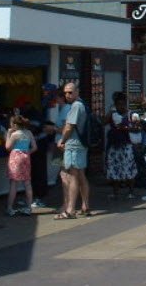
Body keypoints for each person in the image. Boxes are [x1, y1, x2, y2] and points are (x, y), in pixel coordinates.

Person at [55, 82, 91, 219]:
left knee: (73, 175)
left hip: (74, 144)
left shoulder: (76, 106)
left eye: (70, 92)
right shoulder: (82, 105)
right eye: (65, 92)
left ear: (77, 92)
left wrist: (62, 140)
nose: (67, 95)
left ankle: (70, 210)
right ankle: (85, 206)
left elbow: (69, 127)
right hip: (81, 144)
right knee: (80, 174)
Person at [105, 92, 138, 199]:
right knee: (114, 169)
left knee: (129, 168)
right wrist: (109, 113)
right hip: (114, 146)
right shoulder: (112, 114)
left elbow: (137, 128)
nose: (121, 106)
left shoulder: (130, 114)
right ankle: (115, 192)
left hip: (126, 145)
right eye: (118, 104)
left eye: (122, 104)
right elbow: (102, 122)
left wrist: (125, 128)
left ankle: (131, 191)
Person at [5, 115, 37, 216]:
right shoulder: (29, 132)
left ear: (14, 125)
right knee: (27, 183)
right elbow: (35, 147)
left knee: (14, 183)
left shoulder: (15, 134)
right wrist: (26, 153)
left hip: (15, 157)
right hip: (26, 157)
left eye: (11, 123)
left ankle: (10, 208)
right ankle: (29, 208)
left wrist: (8, 134)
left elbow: (8, 147)